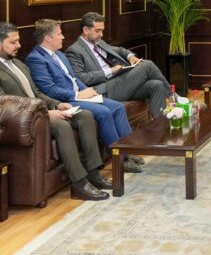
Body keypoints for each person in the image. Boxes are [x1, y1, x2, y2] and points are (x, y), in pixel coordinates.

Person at [0, 22, 111, 200]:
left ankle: (93, 173)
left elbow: (36, 93)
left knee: (85, 115)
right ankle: (79, 184)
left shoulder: (19, 64)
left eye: (18, 41)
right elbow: (4, 105)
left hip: (41, 111)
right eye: (13, 42)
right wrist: (45, 114)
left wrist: (57, 104)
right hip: (24, 119)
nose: (19, 45)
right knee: (62, 126)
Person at [24, 19, 142, 172]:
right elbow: (49, 89)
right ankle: (119, 159)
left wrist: (88, 91)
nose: (63, 37)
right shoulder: (36, 59)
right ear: (47, 38)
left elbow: (74, 78)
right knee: (105, 112)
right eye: (59, 34)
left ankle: (129, 150)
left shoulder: (59, 54)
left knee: (118, 107)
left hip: (81, 95)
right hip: (66, 100)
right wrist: (78, 94)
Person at [65, 12, 170, 119]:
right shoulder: (74, 50)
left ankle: (160, 125)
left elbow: (119, 50)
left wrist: (130, 56)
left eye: (102, 30)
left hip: (120, 82)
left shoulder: (98, 42)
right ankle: (173, 97)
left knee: (157, 85)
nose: (101, 34)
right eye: (97, 31)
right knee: (147, 65)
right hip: (105, 90)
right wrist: (110, 71)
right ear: (86, 30)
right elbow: (80, 78)